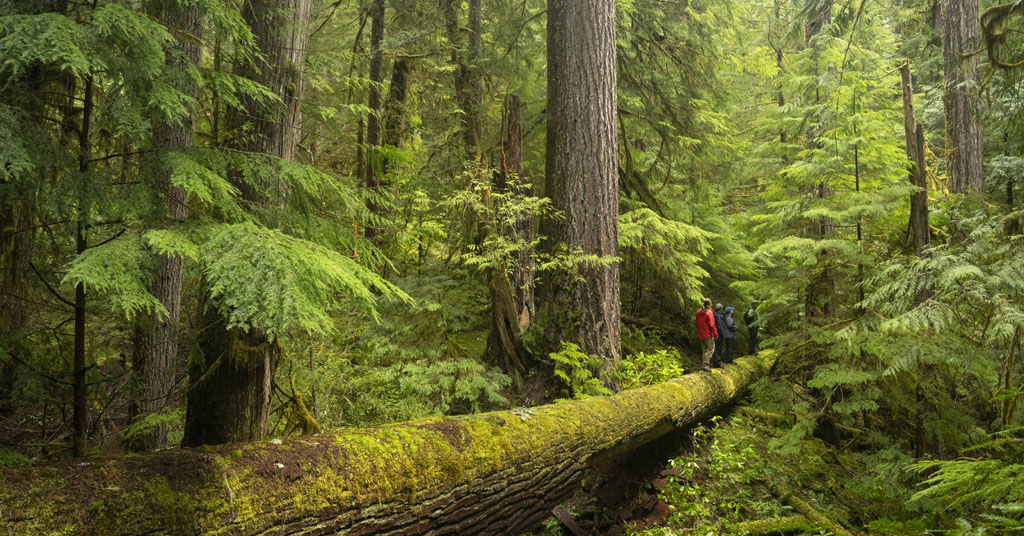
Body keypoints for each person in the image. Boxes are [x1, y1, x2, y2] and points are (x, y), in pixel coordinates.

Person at [695, 298, 718, 372]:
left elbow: (697, 323)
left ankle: (703, 364)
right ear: (710, 304)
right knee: (711, 349)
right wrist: (715, 334)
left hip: (701, 334)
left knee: (704, 350)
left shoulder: (698, 312)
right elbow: (712, 324)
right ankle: (706, 364)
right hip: (708, 334)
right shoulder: (709, 312)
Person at [712, 303, 725, 368]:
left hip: (715, 333)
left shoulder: (714, 314)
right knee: (718, 348)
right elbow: (719, 326)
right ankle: (717, 363)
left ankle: (716, 362)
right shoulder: (717, 316)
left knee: (716, 348)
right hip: (718, 334)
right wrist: (722, 335)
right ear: (720, 308)